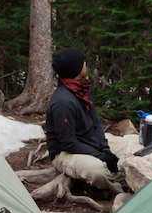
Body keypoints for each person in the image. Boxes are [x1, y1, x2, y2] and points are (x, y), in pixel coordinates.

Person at [43, 47, 125, 196]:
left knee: (129, 150)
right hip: (65, 153)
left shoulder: (82, 90)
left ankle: (108, 183)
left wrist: (105, 149)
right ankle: (120, 190)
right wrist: (100, 156)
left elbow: (96, 122)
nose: (85, 64)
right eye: (83, 62)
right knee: (98, 171)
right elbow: (68, 142)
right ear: (76, 67)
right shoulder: (63, 102)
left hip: (89, 143)